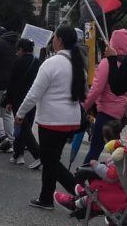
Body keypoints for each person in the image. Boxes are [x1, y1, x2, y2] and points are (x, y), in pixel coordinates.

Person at [16, 25, 84, 210]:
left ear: (59, 40)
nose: (52, 40)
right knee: (51, 159)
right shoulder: (77, 63)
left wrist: (20, 113)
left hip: (53, 120)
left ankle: (79, 190)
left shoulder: (52, 63)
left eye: (54, 37)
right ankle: (46, 197)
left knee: (49, 160)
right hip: (71, 119)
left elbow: (33, 94)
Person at [82, 28, 127, 164]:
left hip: (105, 115)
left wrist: (84, 106)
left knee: (94, 150)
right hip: (123, 116)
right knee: (118, 154)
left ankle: (82, 175)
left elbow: (96, 89)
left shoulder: (107, 63)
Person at [2, 38, 42, 168]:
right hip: (33, 99)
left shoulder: (17, 62)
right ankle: (17, 154)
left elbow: (11, 83)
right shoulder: (38, 62)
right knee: (25, 127)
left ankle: (38, 155)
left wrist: (8, 101)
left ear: (21, 49)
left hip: (18, 99)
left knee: (22, 128)